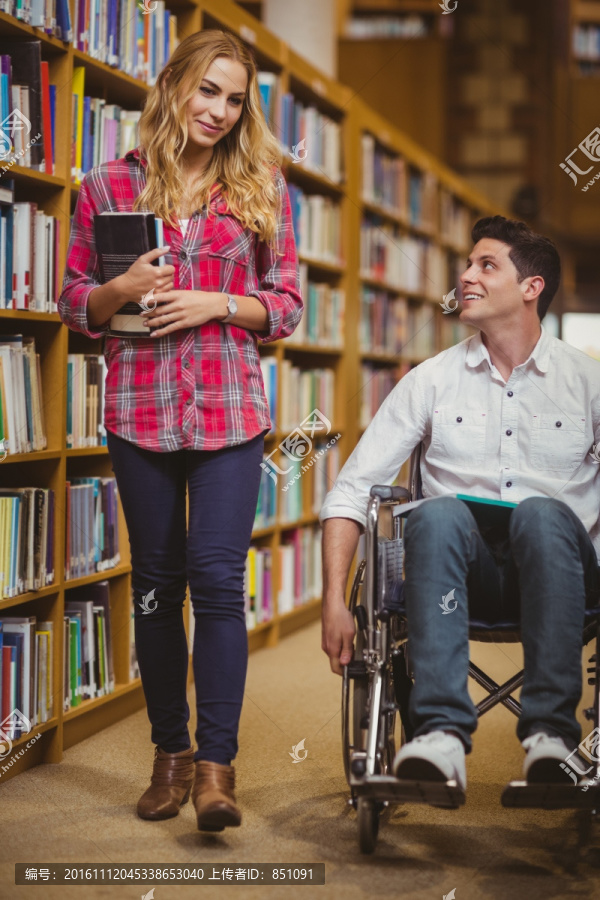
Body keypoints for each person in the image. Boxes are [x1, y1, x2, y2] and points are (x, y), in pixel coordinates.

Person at [58, 29, 302, 831]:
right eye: (209, 91)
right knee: (157, 587)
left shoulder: (263, 186)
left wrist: (218, 304)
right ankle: (168, 755)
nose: (220, 112)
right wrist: (120, 285)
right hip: (139, 412)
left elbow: (288, 305)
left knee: (219, 584)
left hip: (230, 415)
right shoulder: (104, 186)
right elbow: (75, 306)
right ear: (175, 85)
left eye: (235, 100)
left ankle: (214, 770)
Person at [320, 216, 600, 792]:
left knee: (542, 514)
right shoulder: (432, 380)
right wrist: (332, 599)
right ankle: (439, 736)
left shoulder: (587, 382)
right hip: (454, 578)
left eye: (486, 265)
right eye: (468, 263)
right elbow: (352, 488)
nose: (465, 275)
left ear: (531, 287)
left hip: (563, 578)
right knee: (439, 511)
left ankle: (551, 737)